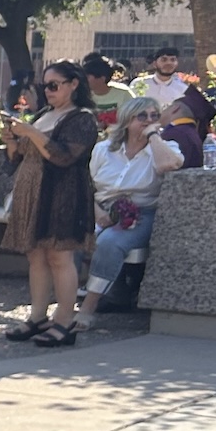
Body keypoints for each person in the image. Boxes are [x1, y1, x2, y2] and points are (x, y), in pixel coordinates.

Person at [0, 61, 100, 346]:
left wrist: (30, 132)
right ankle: (38, 317)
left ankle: (65, 321)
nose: (48, 91)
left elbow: (63, 157)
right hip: (32, 191)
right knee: (36, 256)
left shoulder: (82, 119)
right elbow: (17, 158)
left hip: (62, 194)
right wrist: (12, 140)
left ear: (74, 84)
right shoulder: (44, 114)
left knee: (60, 257)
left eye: (54, 85)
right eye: (45, 86)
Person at [75, 96, 182, 324]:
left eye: (154, 115)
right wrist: (97, 211)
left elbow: (169, 165)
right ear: (127, 120)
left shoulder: (163, 148)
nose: (149, 120)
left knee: (109, 243)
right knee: (65, 239)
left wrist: (153, 135)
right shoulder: (104, 149)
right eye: (142, 116)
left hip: (140, 214)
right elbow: (86, 185)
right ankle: (62, 305)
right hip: (98, 209)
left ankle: (87, 308)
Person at [82, 51, 133, 128]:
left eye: (87, 77)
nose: (83, 80)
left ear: (102, 78)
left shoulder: (124, 94)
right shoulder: (82, 96)